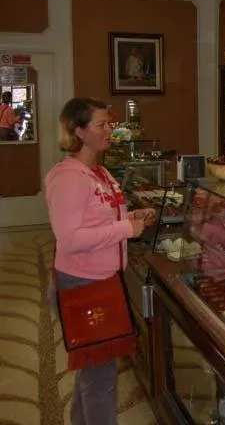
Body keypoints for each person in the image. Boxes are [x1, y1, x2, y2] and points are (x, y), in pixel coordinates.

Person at [45, 97, 156, 425]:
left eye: (110, 123)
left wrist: (133, 216)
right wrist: (126, 228)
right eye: (102, 124)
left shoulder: (101, 172)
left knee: (91, 373)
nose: (111, 129)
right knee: (100, 380)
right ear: (78, 131)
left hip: (104, 282)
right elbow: (70, 239)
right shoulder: (69, 178)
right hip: (83, 287)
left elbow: (99, 221)